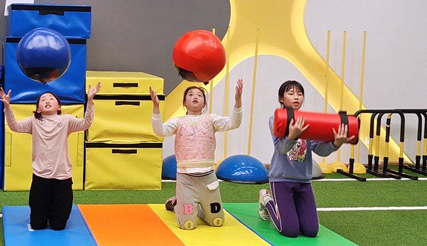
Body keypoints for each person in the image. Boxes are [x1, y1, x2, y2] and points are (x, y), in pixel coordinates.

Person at [0, 83, 101, 231]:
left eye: (51, 99)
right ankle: (43, 213)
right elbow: (15, 126)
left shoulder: (66, 120)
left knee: (58, 226)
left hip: (62, 177)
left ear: (58, 107)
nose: (47, 100)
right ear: (38, 109)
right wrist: (8, 107)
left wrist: (90, 101)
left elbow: (86, 123)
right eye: (43, 99)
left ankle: (55, 213)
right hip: (41, 177)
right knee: (37, 225)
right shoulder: (34, 121)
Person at [258, 80, 354, 237]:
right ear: (281, 98)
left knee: (311, 231)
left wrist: (335, 143)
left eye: (300, 94)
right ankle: (267, 200)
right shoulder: (275, 120)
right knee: (289, 230)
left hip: (303, 180)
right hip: (281, 180)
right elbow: (281, 148)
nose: (296, 97)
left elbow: (319, 149)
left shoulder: (308, 121)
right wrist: (292, 136)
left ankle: (289, 210)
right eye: (291, 93)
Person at [150, 80, 243, 230]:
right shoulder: (178, 121)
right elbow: (160, 131)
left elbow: (234, 123)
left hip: (208, 179)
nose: (195, 97)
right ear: (184, 102)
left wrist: (238, 102)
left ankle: (199, 209)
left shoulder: (211, 119)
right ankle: (177, 205)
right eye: (191, 94)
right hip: (186, 181)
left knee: (217, 221)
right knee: (188, 225)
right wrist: (156, 108)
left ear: (204, 103)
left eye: (199, 95)